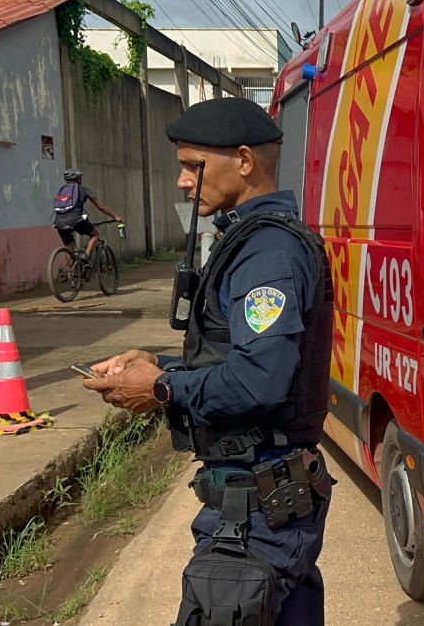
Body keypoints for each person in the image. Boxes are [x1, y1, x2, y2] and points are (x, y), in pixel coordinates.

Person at [83, 97, 334, 626]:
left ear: (243, 161)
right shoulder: (251, 242)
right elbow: (236, 354)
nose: (181, 181)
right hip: (260, 505)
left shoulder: (267, 253)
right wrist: (159, 365)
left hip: (259, 511)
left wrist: (161, 389)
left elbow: (258, 381)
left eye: (191, 165)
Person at [53, 168, 123, 263]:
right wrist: (115, 216)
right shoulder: (83, 190)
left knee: (70, 249)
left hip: (59, 222)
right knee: (95, 234)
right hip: (76, 220)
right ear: (78, 179)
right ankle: (86, 256)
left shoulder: (62, 190)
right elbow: (101, 206)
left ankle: (72, 275)